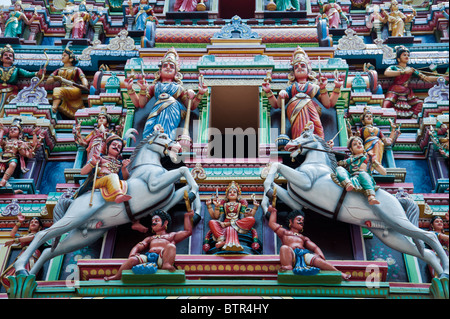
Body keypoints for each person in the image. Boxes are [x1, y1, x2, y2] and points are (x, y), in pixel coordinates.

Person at [262, 46, 344, 140]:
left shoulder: (313, 86)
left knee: (316, 133)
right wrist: (271, 92)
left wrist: (335, 87)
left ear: (309, 71)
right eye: (296, 67)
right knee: (299, 133)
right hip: (296, 112)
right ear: (293, 73)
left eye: (303, 66)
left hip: (311, 111)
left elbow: (328, 104)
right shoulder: (292, 87)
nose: (299, 68)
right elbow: (277, 105)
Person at [127, 47, 207, 139]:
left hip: (172, 111)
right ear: (159, 72)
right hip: (156, 111)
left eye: (172, 66)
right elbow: (140, 104)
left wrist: (200, 94)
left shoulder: (179, 88)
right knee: (150, 135)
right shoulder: (155, 86)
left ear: (176, 73)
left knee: (167, 134)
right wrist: (134, 89)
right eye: (165, 66)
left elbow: (191, 106)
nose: (168, 67)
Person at [104, 209, 194, 281]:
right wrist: (132, 254)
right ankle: (118, 276)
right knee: (132, 260)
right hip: (148, 258)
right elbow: (138, 246)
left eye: (156, 220)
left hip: (162, 258)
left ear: (165, 223)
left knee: (171, 246)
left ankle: (166, 264)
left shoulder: (171, 236)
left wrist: (186, 217)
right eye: (153, 221)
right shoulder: (150, 238)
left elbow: (187, 232)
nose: (153, 223)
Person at [268, 205, 351, 280]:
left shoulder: (303, 237)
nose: (301, 222)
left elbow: (314, 247)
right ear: (290, 221)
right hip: (291, 254)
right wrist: (273, 212)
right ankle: (288, 266)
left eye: (302, 221)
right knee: (284, 248)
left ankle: (340, 273)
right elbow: (272, 223)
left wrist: (321, 256)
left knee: (318, 260)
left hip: (303, 254)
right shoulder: (284, 232)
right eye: (299, 219)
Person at [382, 46, 447, 119]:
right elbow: (386, 73)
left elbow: (425, 78)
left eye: (408, 55)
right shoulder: (394, 67)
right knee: (387, 103)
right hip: (394, 90)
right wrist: (403, 72)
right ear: (398, 58)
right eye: (404, 55)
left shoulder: (411, 69)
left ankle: (413, 120)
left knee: (420, 104)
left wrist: (441, 78)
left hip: (407, 92)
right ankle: (385, 118)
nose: (407, 56)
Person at [205, 181, 260, 252]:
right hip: (224, 224)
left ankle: (227, 237)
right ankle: (221, 240)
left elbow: (245, 217)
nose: (232, 193)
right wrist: (211, 206)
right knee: (212, 222)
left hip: (238, 224)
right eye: (230, 192)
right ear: (227, 196)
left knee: (251, 219)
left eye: (234, 192)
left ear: (238, 196)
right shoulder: (224, 205)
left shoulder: (240, 205)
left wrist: (255, 207)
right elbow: (216, 217)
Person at [335, 136, 386, 205]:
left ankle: (371, 197)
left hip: (364, 180)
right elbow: (335, 164)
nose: (358, 145)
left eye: (360, 143)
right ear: (351, 149)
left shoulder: (368, 159)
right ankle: (348, 184)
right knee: (339, 169)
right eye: (355, 144)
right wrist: (329, 147)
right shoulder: (349, 160)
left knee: (363, 174)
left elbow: (384, 172)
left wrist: (374, 162)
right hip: (351, 180)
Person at [0, 213, 44, 290]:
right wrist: (19, 222)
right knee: (16, 268)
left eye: (36, 222)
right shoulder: (25, 236)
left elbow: (32, 237)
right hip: (23, 254)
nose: (33, 223)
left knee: (28, 269)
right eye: (31, 222)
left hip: (32, 253)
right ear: (29, 228)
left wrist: (15, 241)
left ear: (40, 227)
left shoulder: (39, 234)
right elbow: (12, 233)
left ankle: (25, 281)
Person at [46, 46, 89, 119]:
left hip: (73, 88)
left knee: (57, 90)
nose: (62, 57)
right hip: (63, 87)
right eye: (62, 55)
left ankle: (53, 108)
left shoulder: (76, 69)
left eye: (65, 55)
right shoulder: (58, 70)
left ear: (71, 59)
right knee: (59, 89)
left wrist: (85, 85)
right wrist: (56, 79)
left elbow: (83, 78)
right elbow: (48, 81)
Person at [0, 45, 41, 117]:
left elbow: (27, 74)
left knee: (9, 106)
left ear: (13, 59)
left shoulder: (16, 70)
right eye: (5, 55)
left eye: (10, 56)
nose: (8, 57)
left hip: (11, 92)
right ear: (1, 58)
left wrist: (37, 73)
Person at [0, 118, 43, 187]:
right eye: (10, 130)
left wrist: (34, 133)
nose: (12, 131)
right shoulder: (6, 142)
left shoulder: (21, 143)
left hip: (12, 158)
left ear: (20, 134)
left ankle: (4, 180)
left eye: (15, 129)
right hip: (2, 158)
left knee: (13, 165)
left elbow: (34, 146)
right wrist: (2, 131)